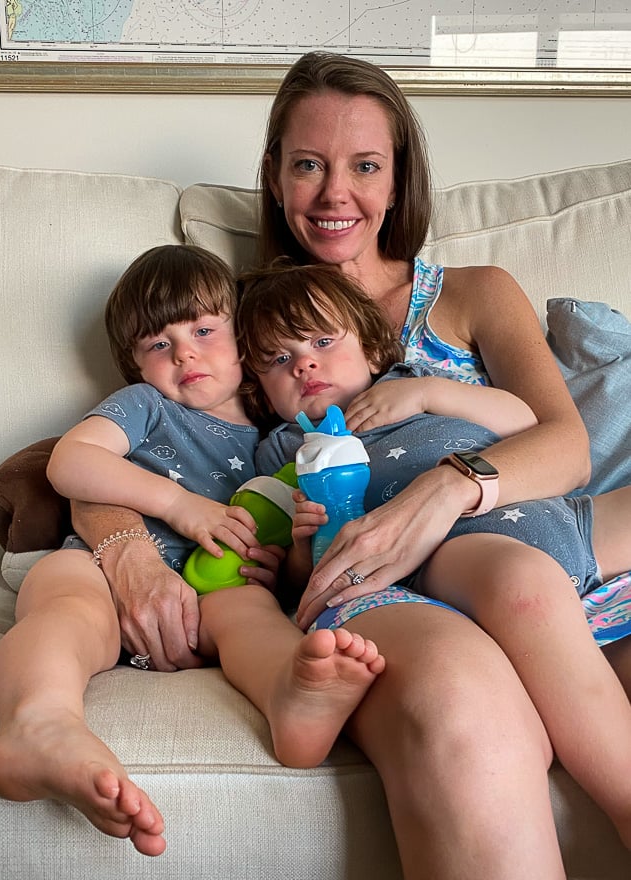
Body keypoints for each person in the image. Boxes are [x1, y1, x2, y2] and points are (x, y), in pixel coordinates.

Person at [67, 52, 618, 880]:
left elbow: (559, 442)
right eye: (306, 164)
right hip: (374, 584)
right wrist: (124, 547)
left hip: (511, 532)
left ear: (400, 175)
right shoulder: (240, 318)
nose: (335, 193)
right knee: (464, 714)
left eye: (365, 164)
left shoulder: (475, 290)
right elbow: (126, 447)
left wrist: (442, 490)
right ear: (275, 175)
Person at [0, 244, 386, 858]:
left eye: (202, 329)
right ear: (135, 365)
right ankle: (37, 723)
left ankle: (289, 697)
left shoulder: (279, 442)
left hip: (210, 596)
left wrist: (279, 562)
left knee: (249, 609)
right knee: (65, 602)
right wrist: (179, 506)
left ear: (243, 343)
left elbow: (282, 526)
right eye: (157, 344)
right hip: (101, 565)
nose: (184, 352)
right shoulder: (147, 407)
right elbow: (71, 462)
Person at [234, 257, 631, 850]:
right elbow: (306, 576)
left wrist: (426, 394)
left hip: (557, 514)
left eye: (321, 340)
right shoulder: (283, 450)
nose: (305, 363)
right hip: (458, 550)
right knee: (521, 583)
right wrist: (298, 547)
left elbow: (526, 419)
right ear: (259, 390)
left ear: (371, 349)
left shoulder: (414, 382)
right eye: (278, 359)